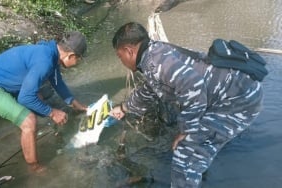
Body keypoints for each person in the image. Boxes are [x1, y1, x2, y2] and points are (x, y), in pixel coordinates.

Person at [110, 22, 263, 187]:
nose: (121, 61)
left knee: (185, 153)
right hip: (230, 93)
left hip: (238, 101)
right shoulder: (154, 52)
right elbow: (151, 88)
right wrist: (124, 108)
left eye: (120, 57)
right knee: (195, 144)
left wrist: (186, 130)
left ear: (129, 51)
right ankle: (200, 167)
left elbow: (193, 85)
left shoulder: (155, 63)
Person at [0, 31, 88, 172]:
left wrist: (77, 105)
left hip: (1, 80)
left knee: (39, 98)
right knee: (29, 121)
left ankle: (28, 134)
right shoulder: (45, 61)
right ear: (71, 55)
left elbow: (58, 83)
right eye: (79, 59)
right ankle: (34, 167)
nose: (78, 63)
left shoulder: (51, 53)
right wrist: (52, 112)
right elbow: (25, 97)